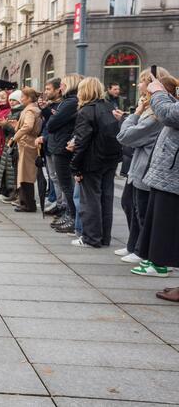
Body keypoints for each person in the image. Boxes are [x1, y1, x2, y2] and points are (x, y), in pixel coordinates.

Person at [115, 69, 168, 263]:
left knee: (142, 211)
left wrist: (133, 115)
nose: (140, 86)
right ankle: (135, 246)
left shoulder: (156, 115)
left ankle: (146, 254)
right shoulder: (150, 111)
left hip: (146, 168)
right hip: (138, 166)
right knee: (132, 205)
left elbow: (126, 136)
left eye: (143, 82)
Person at [133, 77, 179, 286]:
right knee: (158, 220)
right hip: (167, 171)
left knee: (164, 222)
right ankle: (156, 260)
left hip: (172, 171)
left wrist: (159, 93)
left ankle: (159, 263)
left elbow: (170, 115)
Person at [70, 77, 122, 248]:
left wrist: (75, 166)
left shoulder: (86, 111)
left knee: (90, 200)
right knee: (106, 199)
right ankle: (104, 237)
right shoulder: (109, 107)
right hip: (109, 159)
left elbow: (82, 140)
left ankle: (91, 238)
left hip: (92, 161)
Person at [46, 74, 83, 234]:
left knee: (66, 184)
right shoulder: (68, 102)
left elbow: (52, 124)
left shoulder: (70, 102)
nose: (61, 87)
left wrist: (53, 117)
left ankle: (72, 216)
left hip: (61, 147)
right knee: (64, 184)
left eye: (63, 84)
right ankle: (70, 214)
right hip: (59, 145)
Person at [36, 78, 65, 215]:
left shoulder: (63, 105)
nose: (46, 92)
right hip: (48, 144)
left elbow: (55, 126)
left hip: (56, 144)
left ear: (57, 90)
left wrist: (45, 137)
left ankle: (62, 206)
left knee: (59, 178)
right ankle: (59, 204)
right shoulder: (51, 105)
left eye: (48, 89)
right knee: (53, 177)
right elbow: (49, 123)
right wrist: (44, 108)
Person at [11, 88, 42, 212]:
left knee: (26, 174)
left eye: (23, 96)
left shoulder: (30, 110)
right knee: (25, 173)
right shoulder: (32, 109)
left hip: (27, 144)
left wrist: (16, 136)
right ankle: (25, 202)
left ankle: (28, 204)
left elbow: (28, 126)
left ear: (29, 98)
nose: (21, 99)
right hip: (28, 143)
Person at [0, 91, 24, 204]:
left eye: (14, 100)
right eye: (10, 100)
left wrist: (5, 125)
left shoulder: (20, 112)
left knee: (13, 171)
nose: (11, 102)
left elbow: (18, 130)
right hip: (9, 143)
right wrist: (5, 125)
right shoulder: (12, 112)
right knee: (6, 170)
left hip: (15, 144)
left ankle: (14, 194)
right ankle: (8, 193)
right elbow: (7, 131)